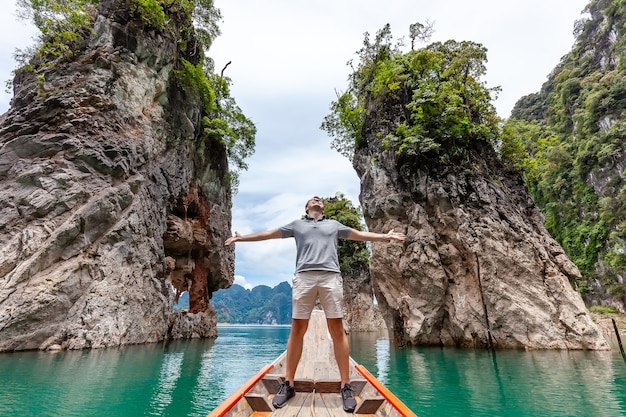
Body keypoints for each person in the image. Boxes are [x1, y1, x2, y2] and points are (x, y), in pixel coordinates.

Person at [225, 196, 406, 412]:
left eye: (319, 199)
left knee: (337, 330)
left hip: (331, 277)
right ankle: (289, 384)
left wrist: (385, 237)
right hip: (304, 277)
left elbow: (359, 236)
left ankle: (345, 386)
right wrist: (243, 238)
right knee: (297, 329)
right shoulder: (297, 225)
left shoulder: (334, 225)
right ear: (306, 208)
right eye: (312, 199)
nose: (316, 199)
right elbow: (270, 234)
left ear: (323, 208)